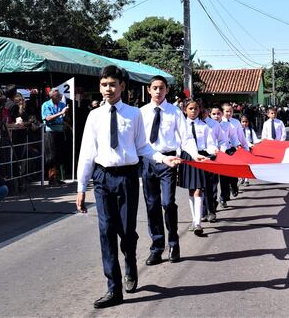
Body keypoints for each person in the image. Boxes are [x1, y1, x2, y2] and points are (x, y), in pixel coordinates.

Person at [76, 66, 179, 309]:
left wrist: (163, 158)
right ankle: (114, 288)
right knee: (106, 230)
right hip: (102, 178)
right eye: (104, 85)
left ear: (122, 86)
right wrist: (81, 187)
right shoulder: (94, 116)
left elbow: (143, 147)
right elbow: (87, 153)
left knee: (126, 230)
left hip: (127, 178)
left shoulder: (134, 114)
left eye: (112, 84)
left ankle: (130, 263)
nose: (107, 89)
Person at [140, 76, 201, 266]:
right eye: (155, 88)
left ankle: (173, 243)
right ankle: (157, 247)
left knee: (168, 202)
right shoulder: (140, 113)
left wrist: (195, 154)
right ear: (149, 90)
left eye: (162, 88)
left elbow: (186, 138)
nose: (158, 92)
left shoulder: (174, 112)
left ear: (167, 90)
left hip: (169, 162)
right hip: (148, 161)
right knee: (152, 205)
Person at [178, 99, 217, 236]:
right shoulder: (182, 126)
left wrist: (213, 151)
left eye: (195, 109)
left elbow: (211, 143)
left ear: (199, 110)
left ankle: (198, 222)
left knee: (199, 190)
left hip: (201, 157)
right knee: (191, 189)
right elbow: (179, 143)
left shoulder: (205, 126)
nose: (193, 111)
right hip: (187, 157)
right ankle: (194, 219)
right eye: (190, 109)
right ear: (185, 110)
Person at [41, 88, 68, 185]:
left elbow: (65, 118)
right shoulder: (46, 105)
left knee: (59, 154)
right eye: (58, 96)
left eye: (60, 96)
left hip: (60, 131)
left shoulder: (62, 104)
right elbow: (47, 118)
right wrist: (61, 113)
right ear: (52, 96)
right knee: (51, 155)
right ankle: (51, 178)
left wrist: (66, 117)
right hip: (50, 132)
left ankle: (57, 177)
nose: (60, 97)